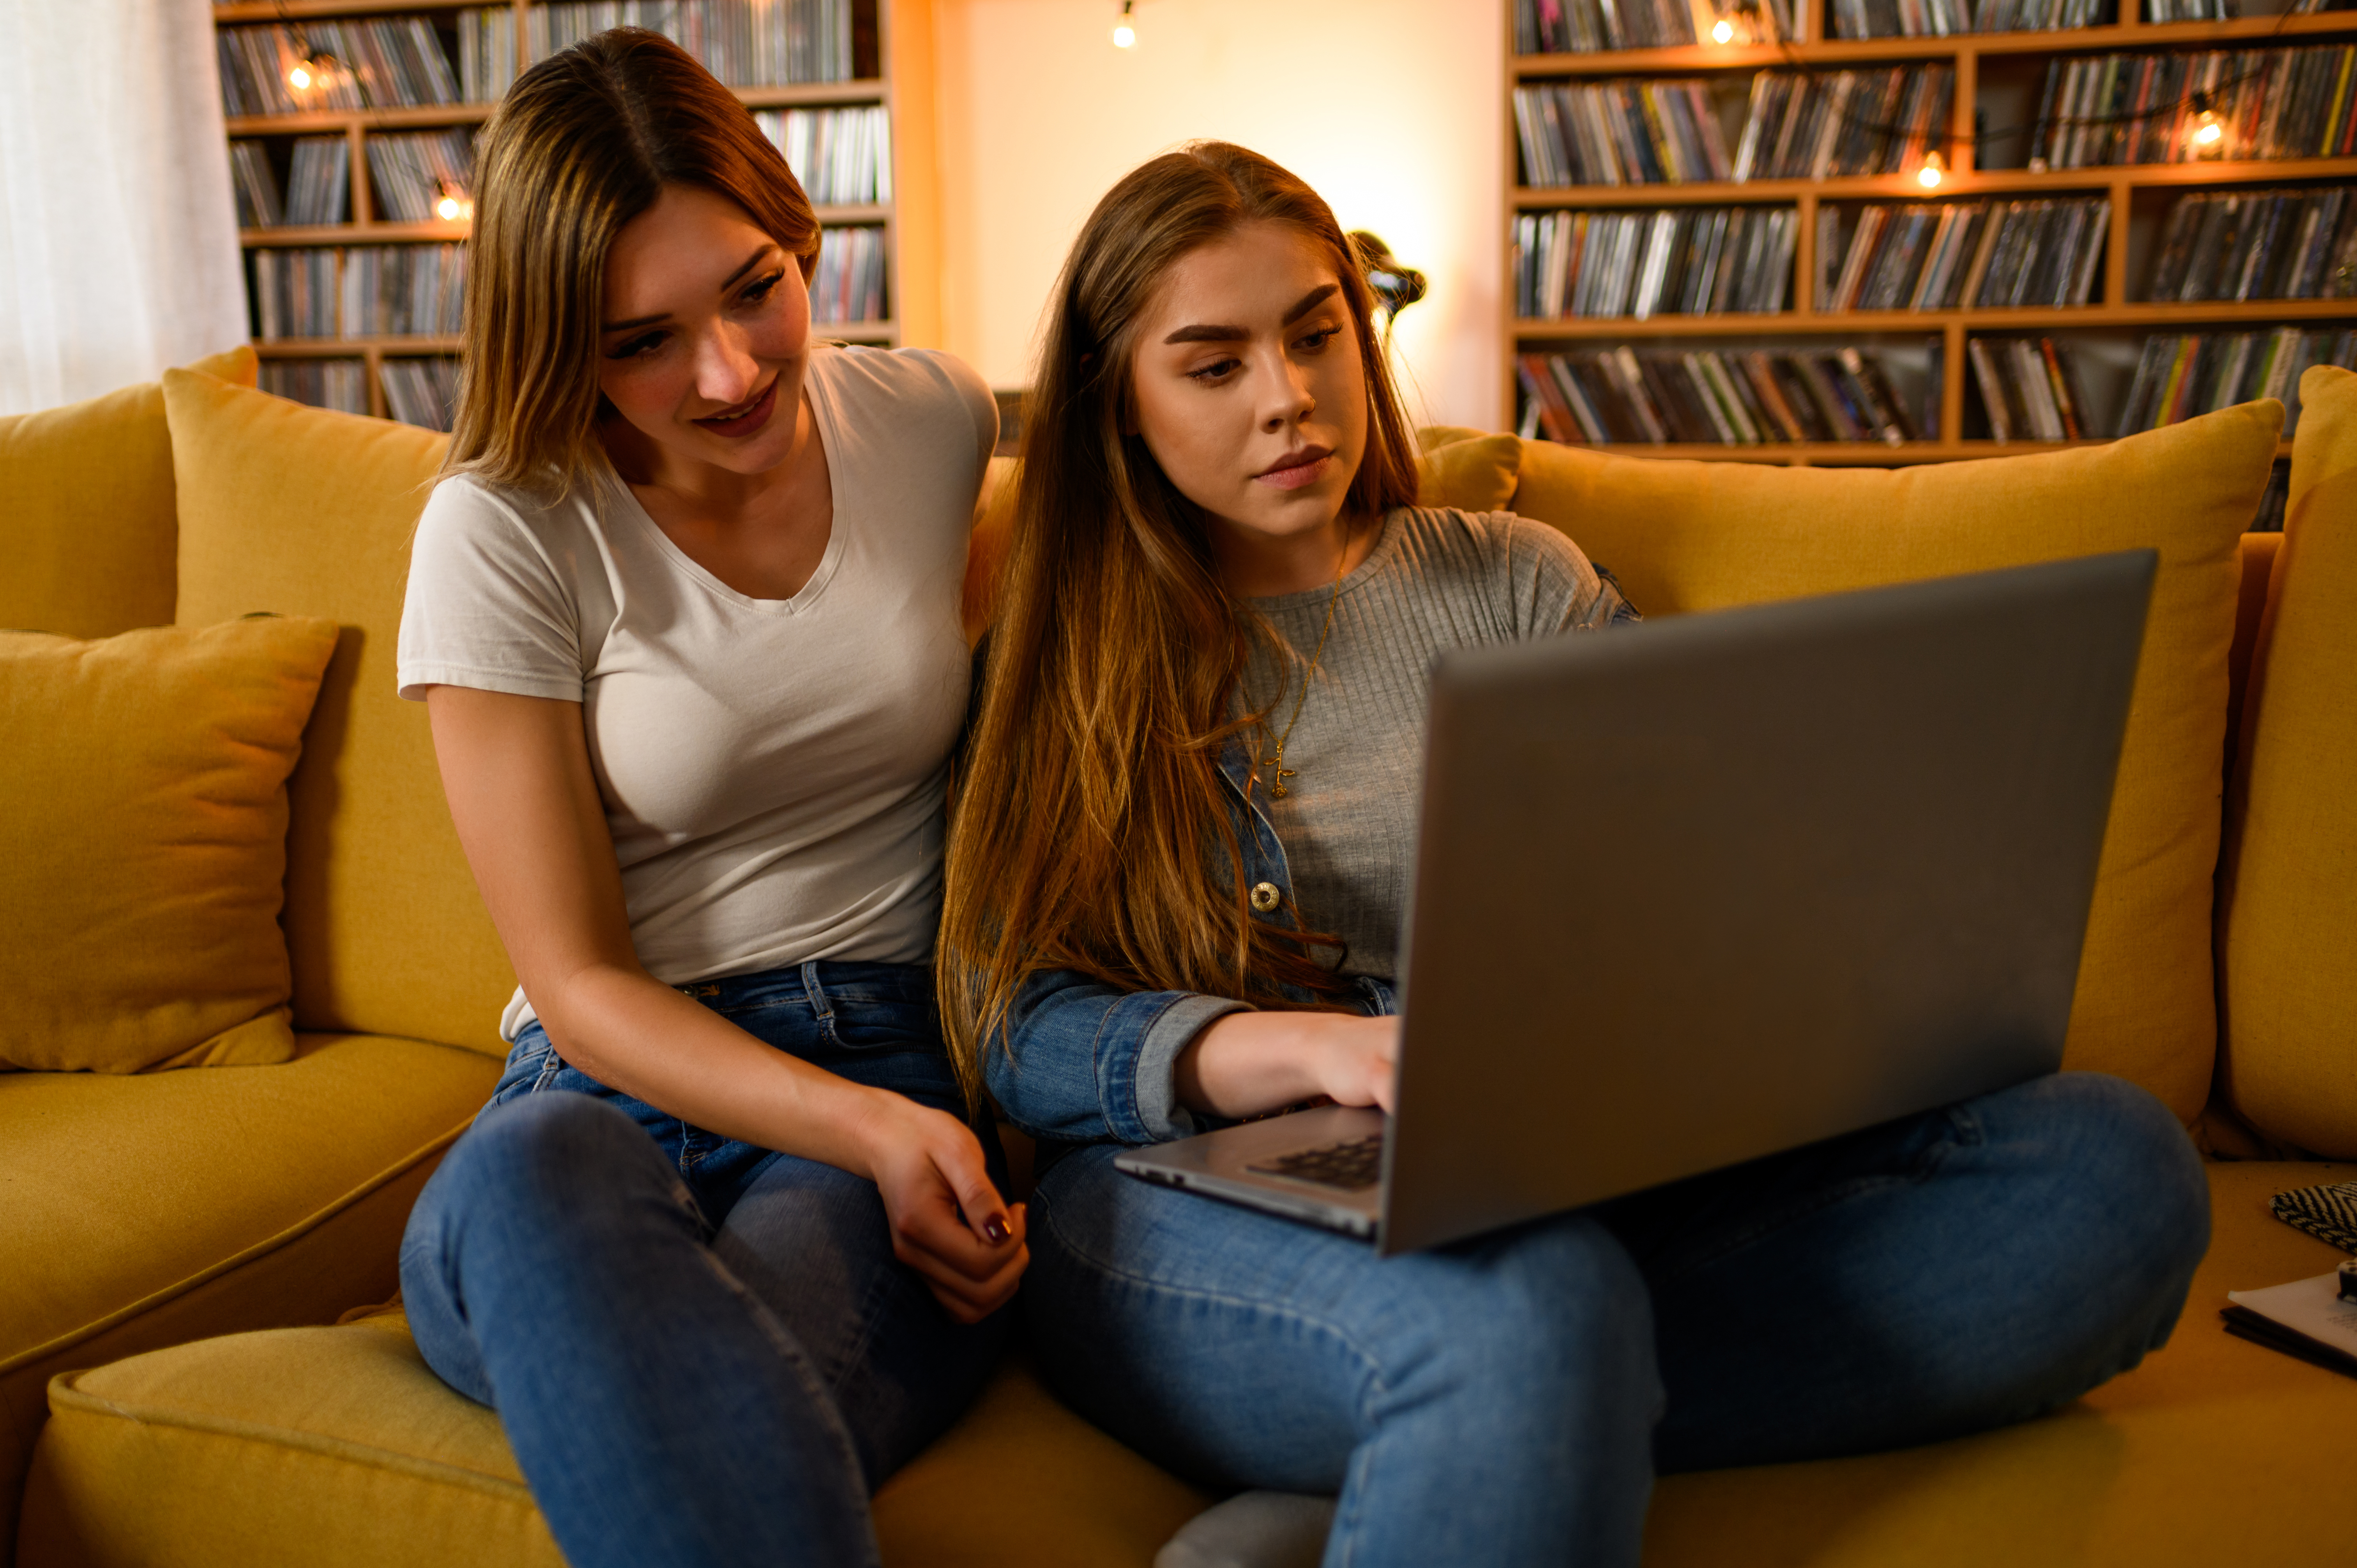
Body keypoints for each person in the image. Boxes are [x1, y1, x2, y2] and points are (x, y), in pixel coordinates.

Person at [936, 141, 2210, 1567]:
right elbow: (1007, 1023)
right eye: (1214, 364)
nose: (1291, 396)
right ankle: (1499, 1394)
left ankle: (1471, 1431)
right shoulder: (1064, 657)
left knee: (2113, 1170)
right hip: (1196, 1202)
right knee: (1532, 1305)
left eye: (1316, 333)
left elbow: (1683, 879)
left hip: (1570, 1183)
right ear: (1121, 402)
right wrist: (1310, 1052)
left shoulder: (1514, 580)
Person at [392, 31, 1024, 1568]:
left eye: (755, 288)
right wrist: (869, 1125)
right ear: (560, 342)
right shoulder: (504, 526)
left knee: (726, 1401)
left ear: (802, 235)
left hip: (880, 1055)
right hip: (598, 1091)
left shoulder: (933, 424)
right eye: (643, 340)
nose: (730, 372)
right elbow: (580, 980)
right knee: (540, 1180)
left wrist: (894, 1122)